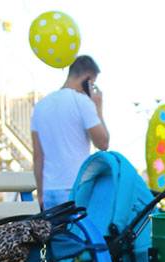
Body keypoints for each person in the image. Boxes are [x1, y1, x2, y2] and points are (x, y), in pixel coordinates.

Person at [30, 55, 108, 209]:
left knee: (55, 234)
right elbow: (103, 143)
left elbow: (38, 156)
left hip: (49, 190)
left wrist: (40, 193)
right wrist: (98, 108)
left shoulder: (40, 106)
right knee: (77, 233)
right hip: (74, 188)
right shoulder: (82, 102)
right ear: (88, 79)